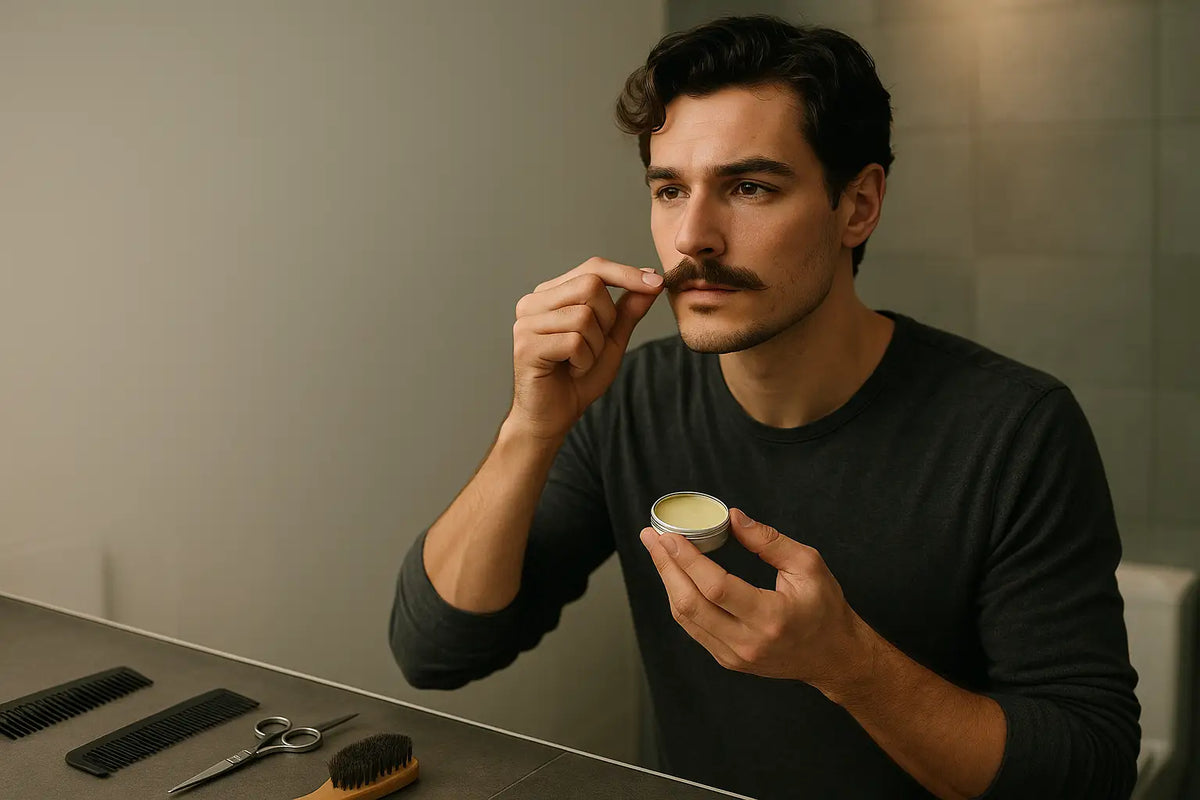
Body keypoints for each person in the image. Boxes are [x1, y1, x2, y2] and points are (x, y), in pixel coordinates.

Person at [389, 15, 1140, 800]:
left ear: (858, 205)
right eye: (670, 190)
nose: (693, 237)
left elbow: (1089, 771)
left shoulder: (1016, 431)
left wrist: (847, 665)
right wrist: (532, 426)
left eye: (749, 187)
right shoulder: (630, 400)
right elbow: (436, 651)